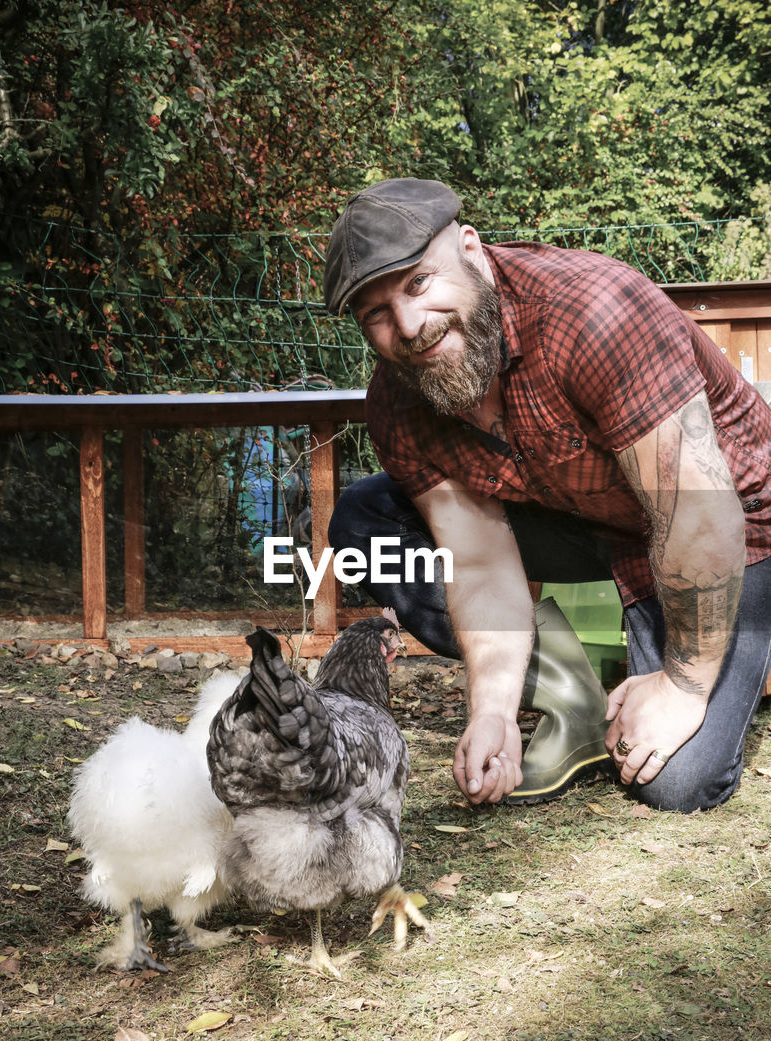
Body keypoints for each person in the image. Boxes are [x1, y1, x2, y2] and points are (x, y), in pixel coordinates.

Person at [323, 178, 771, 813]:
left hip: (737, 523)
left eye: (419, 283)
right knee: (367, 519)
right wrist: (494, 710)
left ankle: (715, 653)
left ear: (471, 249)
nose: (411, 326)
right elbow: (478, 561)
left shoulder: (596, 311)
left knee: (675, 781)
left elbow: (696, 511)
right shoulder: (396, 404)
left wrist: (682, 686)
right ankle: (571, 684)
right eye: (376, 313)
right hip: (597, 519)